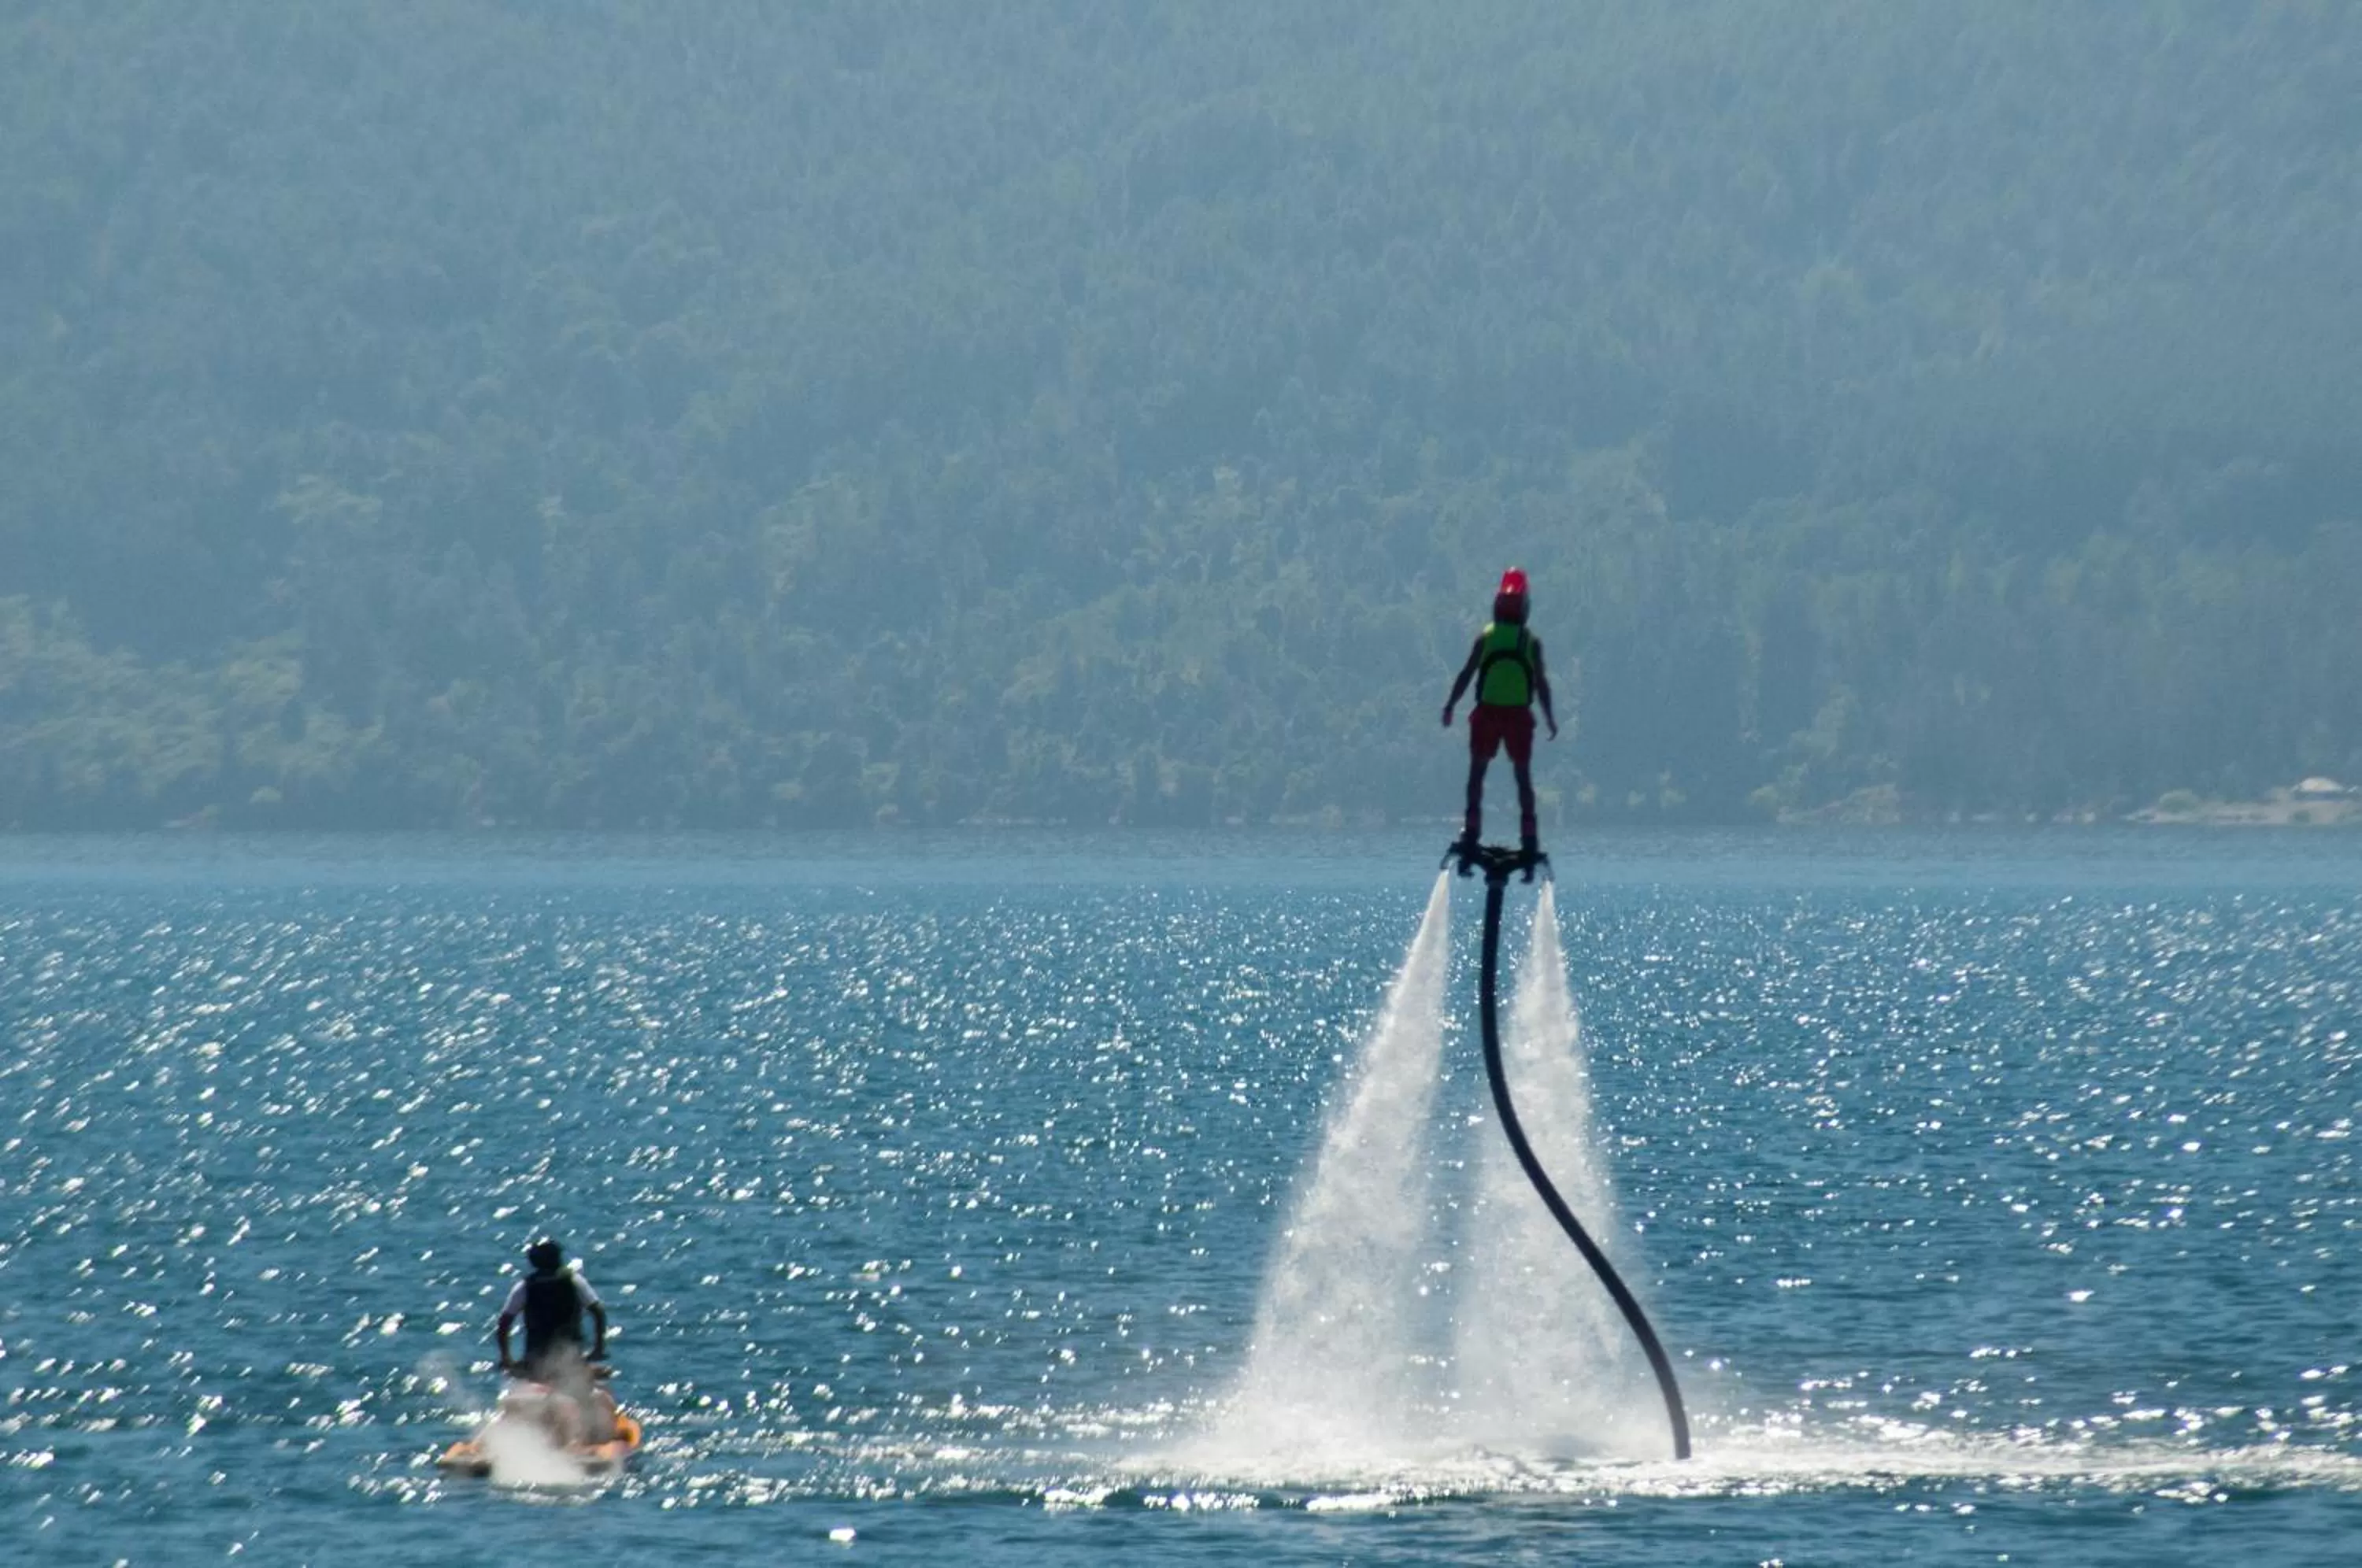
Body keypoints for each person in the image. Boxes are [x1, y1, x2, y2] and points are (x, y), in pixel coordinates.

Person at [1441, 567, 1558, 853]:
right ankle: (1529, 837)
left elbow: (1467, 674)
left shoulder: (1487, 637)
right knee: (1522, 778)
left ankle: (1472, 830)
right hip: (1518, 716)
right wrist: (1549, 718)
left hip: (1487, 714)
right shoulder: (1530, 642)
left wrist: (1451, 705)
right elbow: (1541, 684)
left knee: (1477, 775)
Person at [494, 1237, 616, 1444]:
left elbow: (504, 1323)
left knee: (530, 1387)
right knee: (584, 1391)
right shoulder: (574, 1281)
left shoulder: (525, 1286)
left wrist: (506, 1357)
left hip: (535, 1358)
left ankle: (531, 1432)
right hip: (570, 1358)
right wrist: (598, 1348)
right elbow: (598, 1311)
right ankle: (587, 1436)